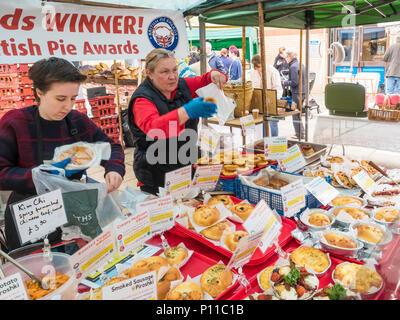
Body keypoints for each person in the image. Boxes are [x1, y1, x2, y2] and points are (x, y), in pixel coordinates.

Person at [0, 57, 125, 252]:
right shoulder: (16, 123)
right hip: (32, 215)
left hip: (74, 212)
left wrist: (114, 169)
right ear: (40, 92)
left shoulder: (77, 121)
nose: (68, 106)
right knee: (43, 275)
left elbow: (111, 148)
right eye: (60, 99)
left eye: (73, 98)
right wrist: (36, 176)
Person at [128, 48, 227, 195]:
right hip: (155, 171)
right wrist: (187, 111)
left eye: (175, 70)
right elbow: (154, 128)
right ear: (149, 73)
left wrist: (216, 74)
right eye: (164, 72)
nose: (172, 76)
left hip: (185, 165)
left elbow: (205, 80)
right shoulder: (142, 99)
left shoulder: (182, 85)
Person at [250, 54, 283, 137]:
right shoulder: (253, 72)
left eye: (259, 67)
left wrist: (275, 102)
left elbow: (278, 88)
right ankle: (264, 142)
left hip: (272, 101)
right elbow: (252, 85)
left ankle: (274, 143)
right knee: (262, 123)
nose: (258, 70)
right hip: (260, 101)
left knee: (273, 123)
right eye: (256, 68)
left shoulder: (273, 71)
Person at [282, 50, 306, 140]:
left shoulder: (293, 67)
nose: (285, 60)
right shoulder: (300, 64)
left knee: (295, 113)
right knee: (298, 113)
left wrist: (285, 83)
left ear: (289, 57)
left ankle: (299, 134)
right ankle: (301, 132)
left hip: (296, 92)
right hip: (302, 91)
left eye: (286, 58)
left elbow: (294, 82)